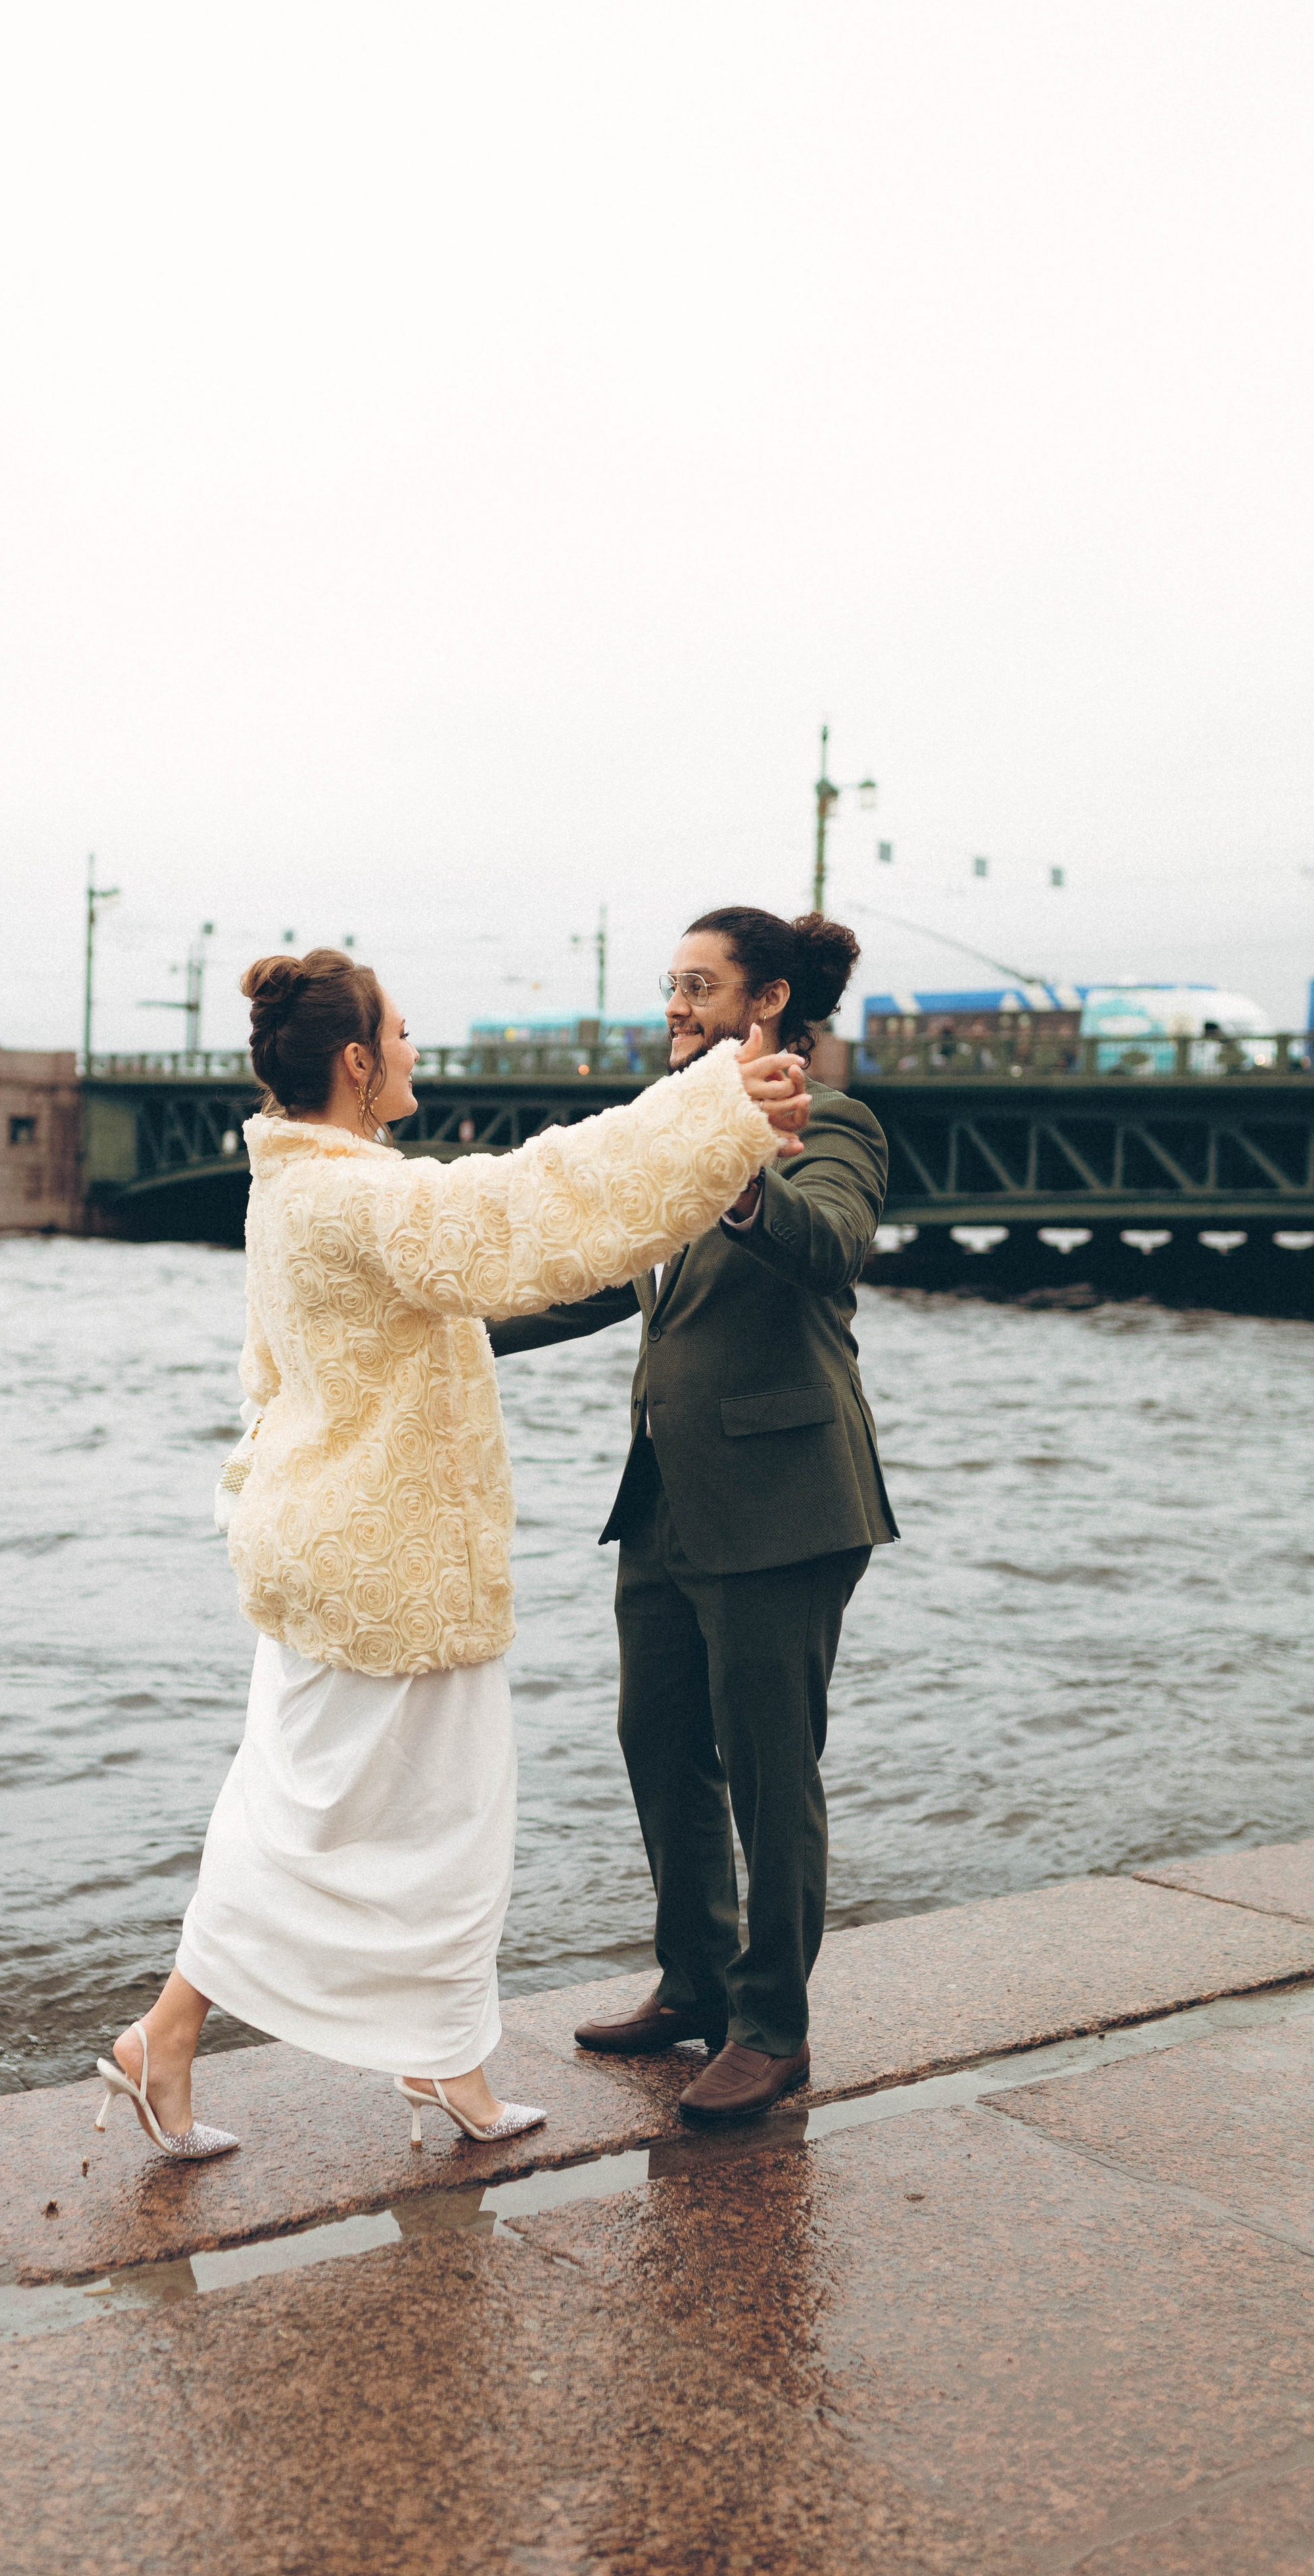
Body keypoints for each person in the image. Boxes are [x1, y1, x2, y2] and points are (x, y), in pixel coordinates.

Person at [93, 945, 810, 2159]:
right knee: (414, 1829)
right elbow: (528, 1210)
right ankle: (189, 2040)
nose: (417, 1050)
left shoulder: (296, 1187)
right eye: (402, 1034)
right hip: (393, 1569)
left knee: (326, 1817)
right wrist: (715, 1108)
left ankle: (421, 2063)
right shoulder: (356, 1199)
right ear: (358, 1063)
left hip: (331, 1551)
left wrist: (710, 1113)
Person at [488, 907, 896, 2122]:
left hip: (784, 1502)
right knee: (659, 1742)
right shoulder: (675, 1126)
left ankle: (772, 2031)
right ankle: (695, 1983)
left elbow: (832, 1246)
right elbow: (610, 1281)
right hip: (665, 1497)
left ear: (767, 1002)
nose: (675, 1004)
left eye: (700, 985)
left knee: (771, 1772)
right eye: (671, 983)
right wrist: (446, 1332)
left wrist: (737, 1167)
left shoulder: (829, 1121)